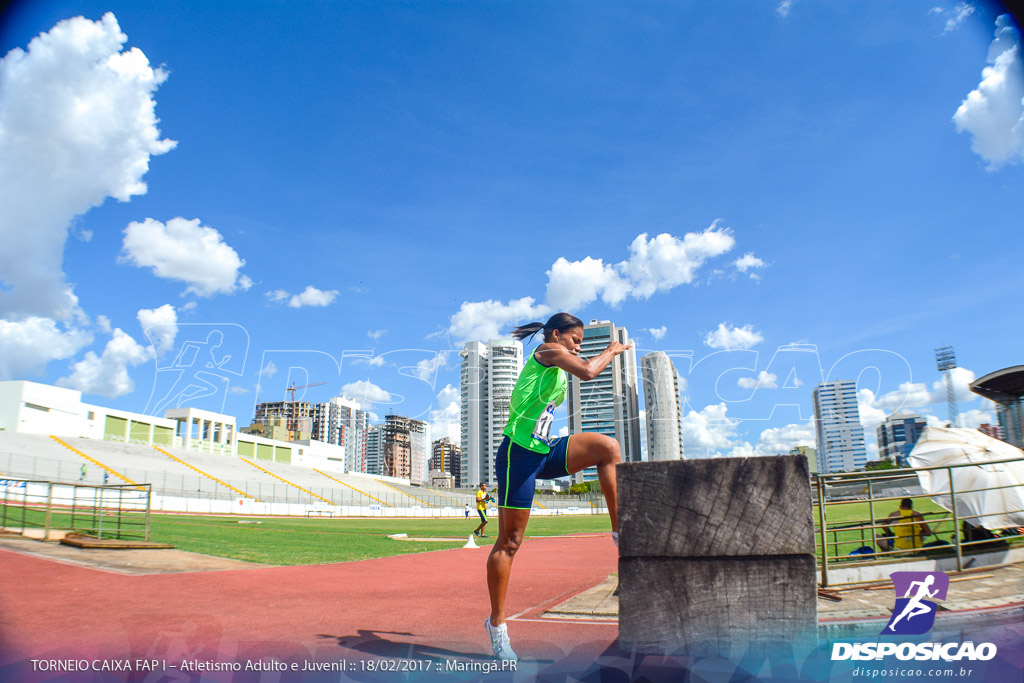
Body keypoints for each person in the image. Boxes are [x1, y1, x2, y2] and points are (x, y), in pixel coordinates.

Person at [484, 312, 630, 661]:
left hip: (544, 450)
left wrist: (588, 354)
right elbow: (590, 370)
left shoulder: (561, 362)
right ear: (555, 335)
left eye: (581, 341)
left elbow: (579, 365)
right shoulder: (547, 353)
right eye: (575, 339)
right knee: (510, 541)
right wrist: (611, 350)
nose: (578, 345)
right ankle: (497, 624)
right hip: (517, 456)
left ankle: (619, 531)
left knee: (607, 448)